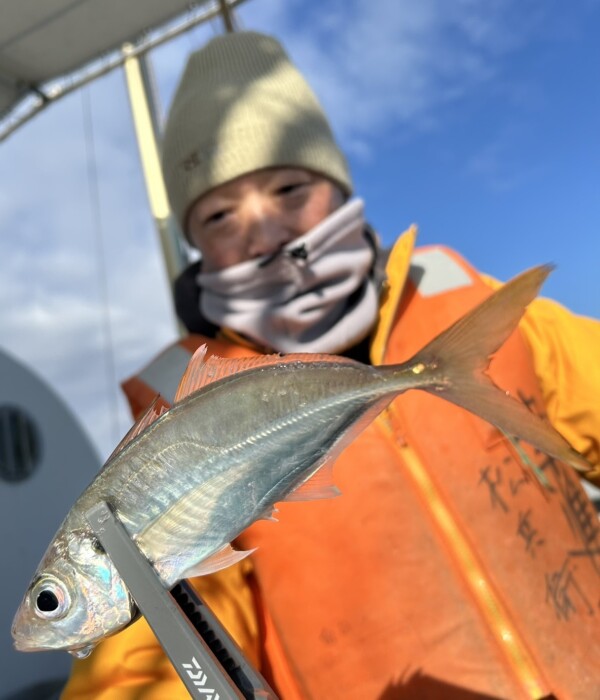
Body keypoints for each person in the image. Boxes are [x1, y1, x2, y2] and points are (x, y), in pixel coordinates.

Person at [61, 31, 600, 700]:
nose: (264, 232)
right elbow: (148, 661)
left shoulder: (472, 301)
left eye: (289, 187)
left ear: (338, 186)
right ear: (195, 244)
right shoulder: (173, 411)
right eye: (221, 213)